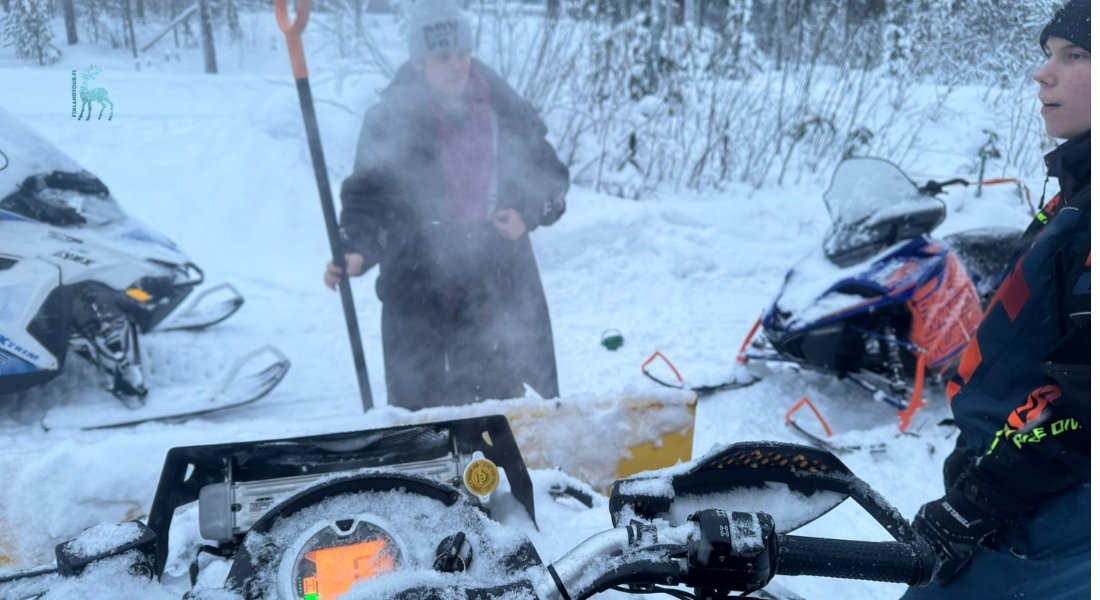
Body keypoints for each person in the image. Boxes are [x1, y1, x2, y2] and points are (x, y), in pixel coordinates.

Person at [902, 1, 1090, 597]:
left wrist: (990, 493)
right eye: (1046, 55)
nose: (1044, 73)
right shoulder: (1077, 194)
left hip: (1055, 507)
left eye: (1076, 55)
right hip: (1027, 490)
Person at [323, 0, 569, 410]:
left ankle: (513, 476)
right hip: (416, 277)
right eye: (443, 56)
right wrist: (355, 248)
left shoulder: (504, 110)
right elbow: (368, 195)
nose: (457, 65)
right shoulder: (390, 120)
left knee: (505, 409)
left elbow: (551, 177)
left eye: (462, 53)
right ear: (420, 62)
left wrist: (526, 211)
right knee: (422, 417)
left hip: (495, 277)